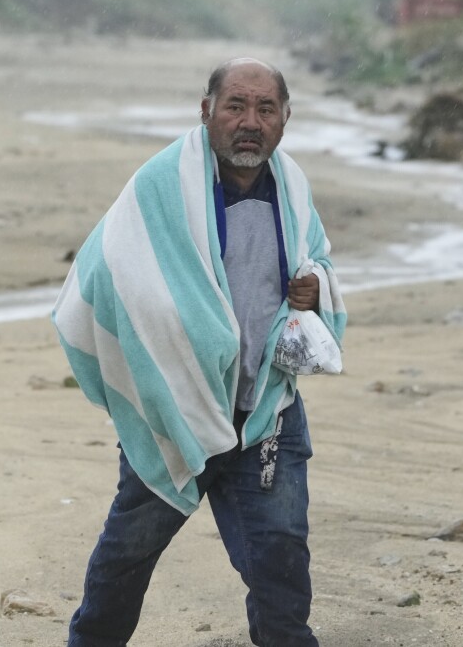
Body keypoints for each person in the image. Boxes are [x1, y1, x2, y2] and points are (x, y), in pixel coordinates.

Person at [53, 58, 346, 646]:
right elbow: (103, 274)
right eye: (235, 105)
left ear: (286, 119)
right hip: (175, 410)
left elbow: (318, 262)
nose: (250, 122)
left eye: (266, 109)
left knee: (281, 566)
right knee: (125, 561)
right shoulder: (160, 186)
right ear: (206, 110)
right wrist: (174, 346)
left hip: (265, 412)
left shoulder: (292, 188)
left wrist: (316, 289)